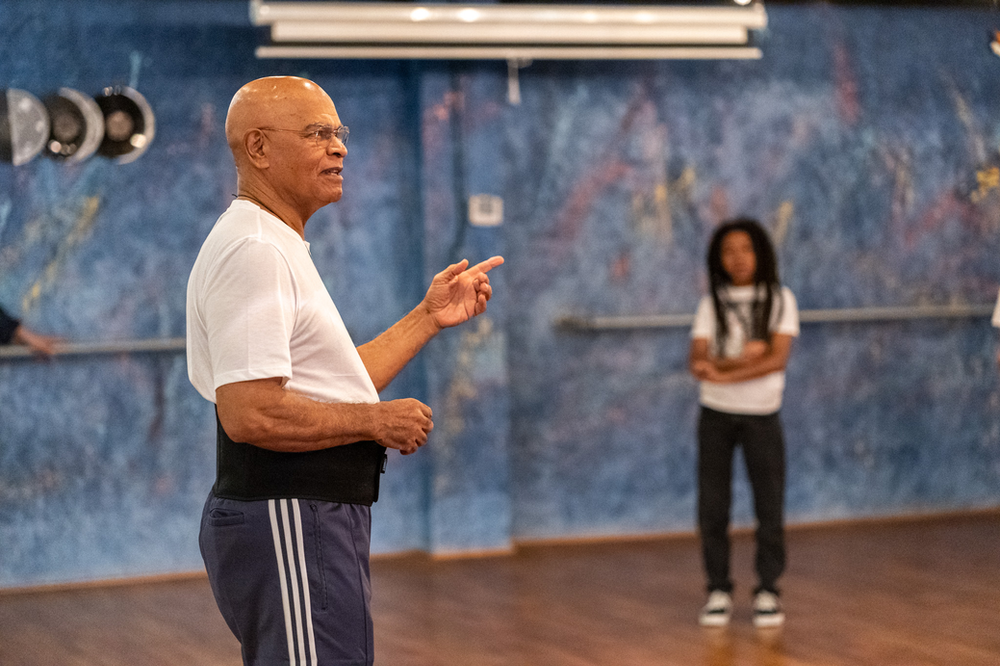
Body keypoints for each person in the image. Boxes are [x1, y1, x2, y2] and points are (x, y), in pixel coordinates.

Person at [186, 76, 503, 666]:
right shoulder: (256, 250)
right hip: (291, 514)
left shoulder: (274, 242)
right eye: (317, 134)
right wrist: (376, 423)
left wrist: (427, 318)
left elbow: (326, 384)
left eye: (340, 133)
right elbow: (250, 413)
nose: (340, 148)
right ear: (257, 148)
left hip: (309, 515)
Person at [688, 218, 799, 629]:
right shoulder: (709, 303)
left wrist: (727, 368)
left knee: (768, 503)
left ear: (761, 253)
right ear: (718, 258)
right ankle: (718, 588)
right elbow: (697, 361)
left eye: (746, 249)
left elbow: (776, 359)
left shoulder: (780, 299)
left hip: (762, 415)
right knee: (713, 505)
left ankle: (768, 589)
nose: (737, 258)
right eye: (728, 250)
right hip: (715, 415)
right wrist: (743, 359)